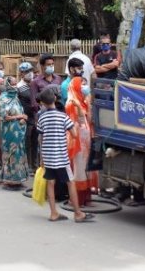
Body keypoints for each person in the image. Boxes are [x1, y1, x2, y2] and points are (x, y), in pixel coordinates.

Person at [37, 88, 94, 223]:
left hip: (48, 157)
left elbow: (40, 138)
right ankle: (78, 213)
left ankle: (53, 213)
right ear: (55, 100)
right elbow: (74, 134)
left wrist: (41, 159)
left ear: (43, 103)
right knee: (70, 182)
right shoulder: (63, 117)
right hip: (61, 157)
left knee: (51, 183)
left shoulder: (42, 117)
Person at [64, 63, 96, 207]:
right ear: (76, 86)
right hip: (77, 139)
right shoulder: (72, 103)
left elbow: (89, 120)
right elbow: (74, 122)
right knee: (78, 168)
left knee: (85, 167)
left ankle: (86, 196)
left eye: (85, 84)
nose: (85, 87)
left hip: (86, 139)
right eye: (82, 84)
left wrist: (88, 105)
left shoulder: (83, 102)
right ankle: (78, 199)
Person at [0, 77, 28, 190]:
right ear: (7, 85)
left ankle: (18, 179)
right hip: (9, 131)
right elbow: (4, 116)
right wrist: (19, 117)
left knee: (19, 153)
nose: (15, 86)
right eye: (13, 84)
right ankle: (9, 180)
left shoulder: (15, 97)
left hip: (19, 130)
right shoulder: (2, 98)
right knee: (11, 153)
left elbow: (20, 110)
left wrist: (23, 118)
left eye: (16, 84)